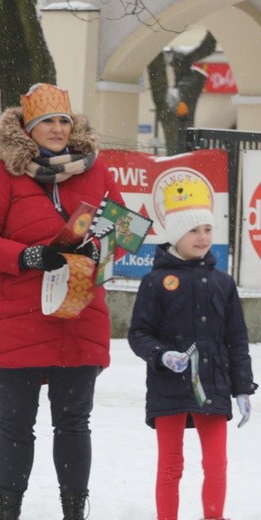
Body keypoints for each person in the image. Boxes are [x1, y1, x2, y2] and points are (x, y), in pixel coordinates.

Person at [0, 83, 125, 520]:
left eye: (63, 120)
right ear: (28, 129)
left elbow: (122, 234)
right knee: (15, 425)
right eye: (46, 122)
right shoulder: (3, 173)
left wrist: (98, 251)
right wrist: (28, 255)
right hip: (17, 317)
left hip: (79, 314)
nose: (56, 129)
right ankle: (9, 511)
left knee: (73, 423)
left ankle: (74, 511)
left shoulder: (97, 171)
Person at [128, 177, 257, 520]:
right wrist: (161, 355)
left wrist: (243, 388)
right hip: (167, 387)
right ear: (174, 235)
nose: (202, 237)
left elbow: (236, 339)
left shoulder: (222, 283)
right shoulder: (155, 282)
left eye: (207, 229)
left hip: (212, 387)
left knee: (216, 464)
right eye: (193, 230)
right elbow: (139, 333)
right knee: (170, 465)